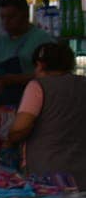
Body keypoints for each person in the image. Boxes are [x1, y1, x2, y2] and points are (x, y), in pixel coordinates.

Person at [6, 42, 86, 186]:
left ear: (40, 64)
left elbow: (19, 129)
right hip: (81, 172)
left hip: (47, 174)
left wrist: (9, 140)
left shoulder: (37, 86)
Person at [0, 0, 55, 107]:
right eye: (2, 17)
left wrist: (15, 79)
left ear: (25, 15)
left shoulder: (42, 40)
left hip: (30, 106)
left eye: (11, 17)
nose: (6, 22)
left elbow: (53, 76)